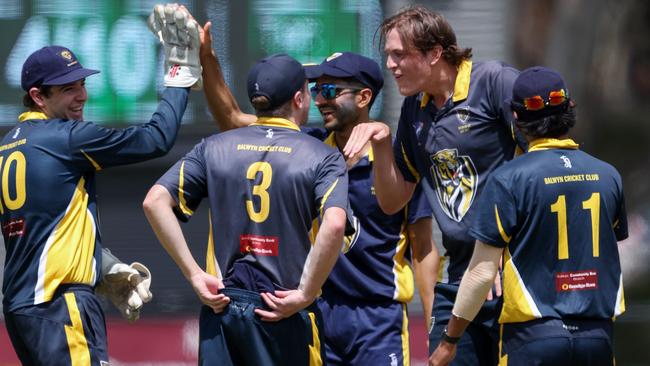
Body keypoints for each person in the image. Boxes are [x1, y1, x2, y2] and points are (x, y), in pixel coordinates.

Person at [196, 15, 438, 363]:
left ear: (365, 96)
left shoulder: (396, 161)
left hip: (377, 318)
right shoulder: (306, 149)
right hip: (315, 307)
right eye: (315, 91)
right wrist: (208, 60)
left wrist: (434, 331)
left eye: (330, 91)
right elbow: (233, 120)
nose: (319, 100)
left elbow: (424, 250)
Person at [1, 5, 201, 364]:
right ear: (37, 96)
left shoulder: (7, 147)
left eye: (82, 84)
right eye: (68, 89)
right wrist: (178, 74)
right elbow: (157, 138)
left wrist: (100, 265)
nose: (82, 96)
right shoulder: (65, 138)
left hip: (23, 309)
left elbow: (41, 227)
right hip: (62, 306)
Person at [343, 5, 525, 365]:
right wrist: (381, 143)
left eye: (399, 55)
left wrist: (501, 252)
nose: (391, 65)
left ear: (434, 53)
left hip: (513, 269)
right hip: (459, 274)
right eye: (388, 56)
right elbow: (394, 201)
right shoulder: (414, 110)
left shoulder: (494, 82)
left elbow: (539, 162)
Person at [142, 53, 350, 365]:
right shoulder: (324, 156)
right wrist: (306, 294)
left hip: (223, 309)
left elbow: (154, 201)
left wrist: (195, 275)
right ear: (298, 99)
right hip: (282, 310)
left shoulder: (214, 146)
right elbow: (334, 225)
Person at [430, 66, 628, 366]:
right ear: (570, 107)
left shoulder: (508, 179)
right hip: (597, 337)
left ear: (517, 118)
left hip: (532, 339)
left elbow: (482, 273)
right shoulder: (608, 175)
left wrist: (450, 339)